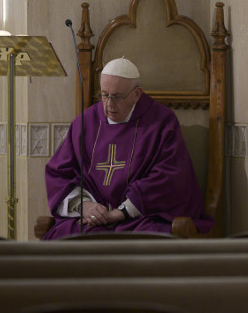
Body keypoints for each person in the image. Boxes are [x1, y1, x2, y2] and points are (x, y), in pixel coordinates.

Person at [43, 57, 213, 239]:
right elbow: (59, 173)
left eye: (117, 97)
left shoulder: (160, 122)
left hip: (140, 217)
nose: (109, 105)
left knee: (147, 242)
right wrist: (84, 205)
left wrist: (121, 212)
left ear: (137, 94)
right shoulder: (85, 122)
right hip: (91, 220)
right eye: (105, 95)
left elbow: (171, 176)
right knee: (67, 239)